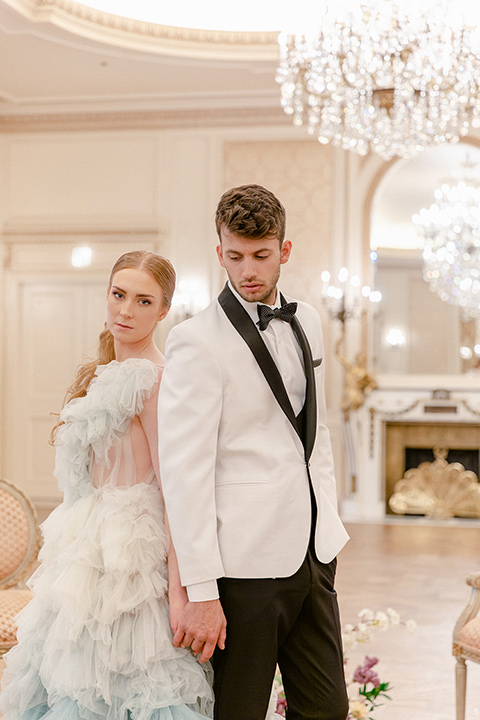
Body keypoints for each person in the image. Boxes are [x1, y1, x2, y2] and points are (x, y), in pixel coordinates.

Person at [158, 185, 350, 720]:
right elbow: (184, 472)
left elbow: (318, 436)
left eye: (262, 256)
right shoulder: (195, 340)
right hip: (244, 565)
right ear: (219, 252)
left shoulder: (307, 320)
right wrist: (200, 589)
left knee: (328, 710)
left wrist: (326, 522)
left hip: (314, 556)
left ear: (284, 252)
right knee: (240, 711)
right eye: (235, 256)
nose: (248, 270)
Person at [0, 251, 214, 720]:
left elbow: (178, 490)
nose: (125, 311)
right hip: (86, 545)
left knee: (132, 688)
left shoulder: (158, 380)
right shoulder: (102, 374)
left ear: (163, 311)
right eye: (119, 295)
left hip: (134, 555)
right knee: (72, 683)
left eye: (143, 301)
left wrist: (183, 594)